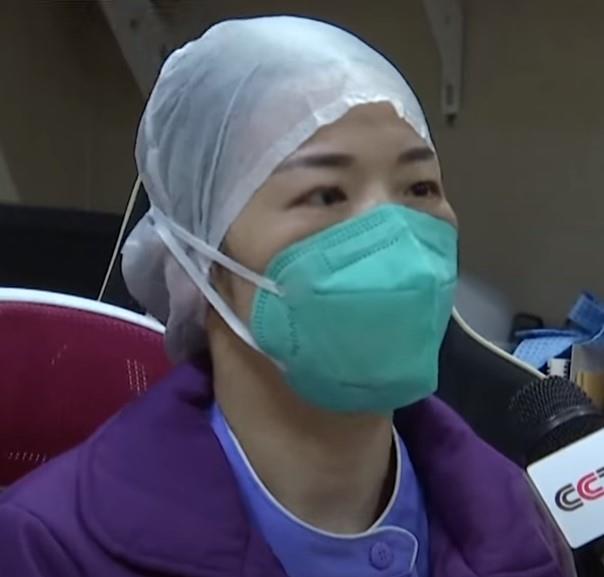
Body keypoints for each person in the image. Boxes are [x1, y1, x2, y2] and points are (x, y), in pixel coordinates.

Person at [0, 15, 575, 577]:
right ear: (201, 261)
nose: (395, 235)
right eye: (325, 194)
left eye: (420, 187)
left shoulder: (520, 526)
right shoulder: (49, 549)